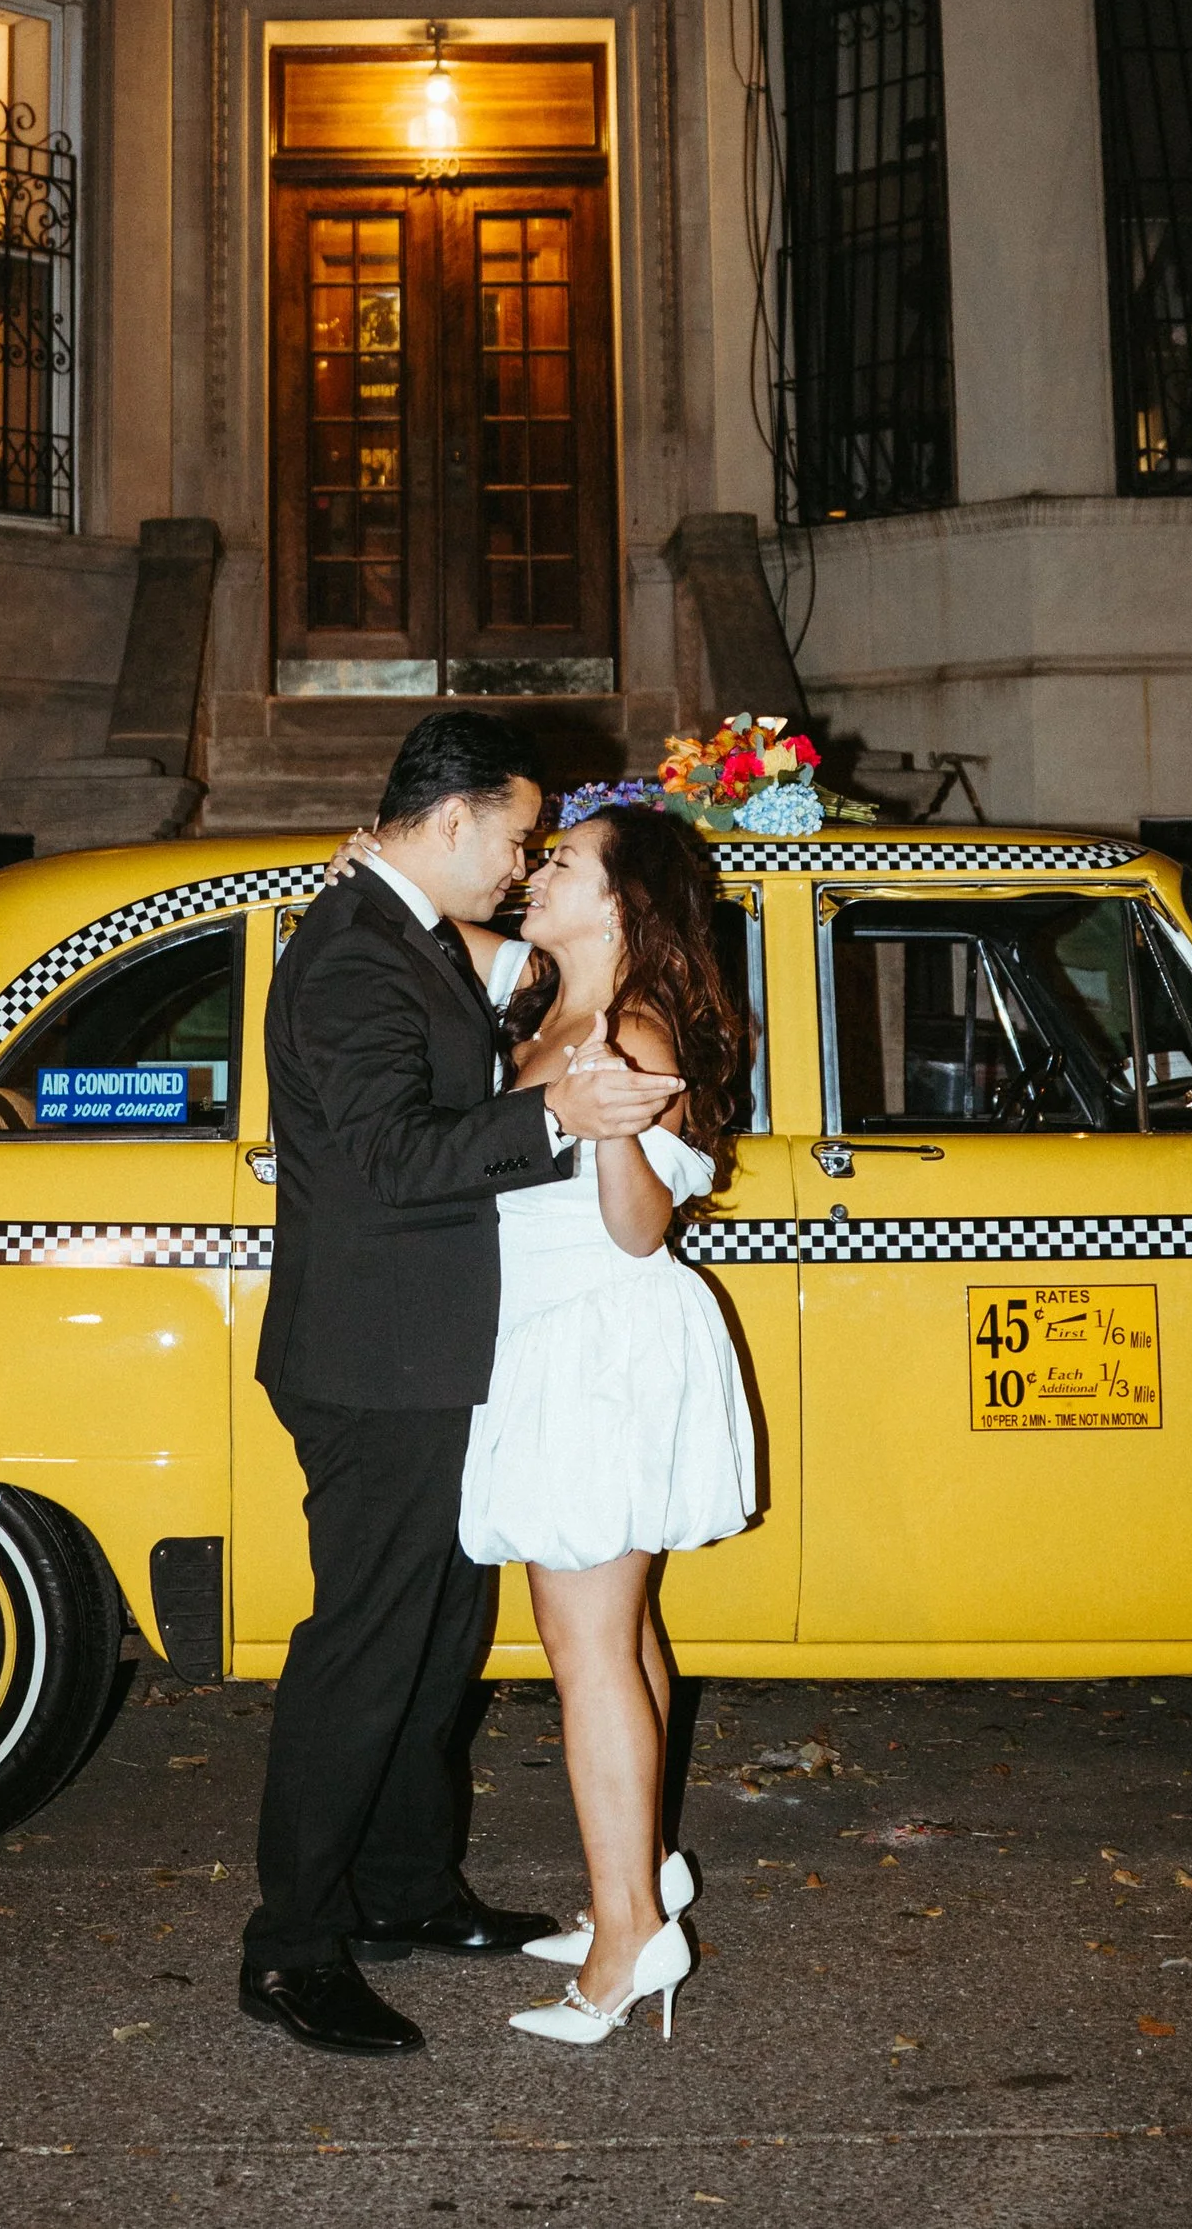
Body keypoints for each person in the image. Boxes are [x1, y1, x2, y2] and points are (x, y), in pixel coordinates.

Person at [240, 711, 684, 2059]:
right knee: (365, 1652)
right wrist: (560, 1116)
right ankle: (293, 1948)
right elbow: (386, 1154)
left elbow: (512, 987)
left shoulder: (404, 935)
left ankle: (405, 1889)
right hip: (375, 1363)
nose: (519, 858)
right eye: (510, 832)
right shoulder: (355, 956)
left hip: (432, 1355)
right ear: (448, 822)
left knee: (438, 1645)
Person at [465, 801, 757, 2050]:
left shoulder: (625, 1026)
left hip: (597, 1344)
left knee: (586, 1659)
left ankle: (629, 1936)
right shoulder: (556, 1010)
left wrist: (612, 1124)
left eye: (564, 862)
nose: (538, 875)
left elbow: (636, 1226)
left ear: (622, 900)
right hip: (561, 1341)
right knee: (617, 1639)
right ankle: (634, 1889)